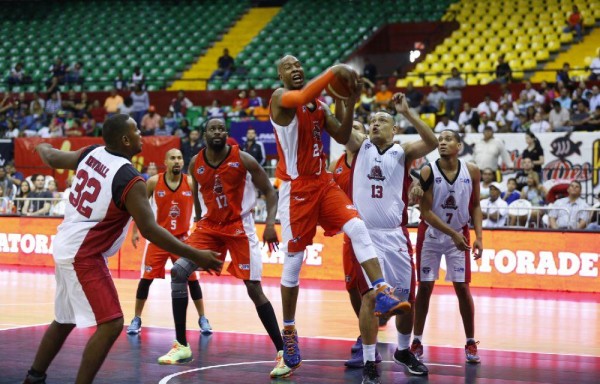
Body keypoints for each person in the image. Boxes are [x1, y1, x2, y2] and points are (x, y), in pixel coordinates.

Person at [23, 114, 221, 384]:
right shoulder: (131, 179)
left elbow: (54, 158)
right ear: (126, 140)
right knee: (113, 322)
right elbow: (151, 230)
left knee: (65, 318)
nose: (142, 134)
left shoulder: (92, 153)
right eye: (137, 130)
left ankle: (34, 377)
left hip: (66, 243)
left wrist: (41, 146)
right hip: (85, 253)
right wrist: (196, 254)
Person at [269, 56, 408, 373]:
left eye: (299, 65)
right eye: (288, 67)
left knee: (358, 227)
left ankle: (381, 290)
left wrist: (349, 101)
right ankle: (288, 330)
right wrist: (334, 71)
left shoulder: (317, 105)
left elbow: (345, 136)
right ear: (279, 75)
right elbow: (301, 97)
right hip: (296, 189)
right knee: (293, 261)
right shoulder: (280, 98)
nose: (296, 69)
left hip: (322, 181)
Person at [157, 118, 291, 378]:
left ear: (226, 134)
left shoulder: (245, 159)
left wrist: (272, 224)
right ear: (204, 134)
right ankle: (182, 345)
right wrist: (198, 220)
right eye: (212, 129)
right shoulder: (196, 162)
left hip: (240, 227)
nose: (217, 132)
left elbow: (270, 192)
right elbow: (196, 191)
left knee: (254, 289)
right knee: (177, 272)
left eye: (221, 129)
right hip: (210, 228)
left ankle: (284, 351)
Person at [341, 95, 438, 382]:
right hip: (366, 234)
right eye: (372, 121)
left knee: (407, 299)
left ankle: (403, 350)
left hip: (395, 234)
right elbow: (343, 131)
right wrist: (346, 103)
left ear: (393, 130)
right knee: (371, 296)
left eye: (382, 121)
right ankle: (370, 361)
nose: (375, 124)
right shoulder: (361, 146)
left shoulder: (402, 151)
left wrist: (407, 111)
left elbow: (431, 142)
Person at [412, 129, 483, 365]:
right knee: (425, 288)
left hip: (459, 235)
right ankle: (417, 340)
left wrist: (479, 237)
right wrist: (453, 234)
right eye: (440, 139)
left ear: (459, 146)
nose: (442, 142)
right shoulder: (428, 170)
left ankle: (470, 341)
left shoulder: (471, 170)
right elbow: (425, 212)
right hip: (432, 235)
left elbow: (476, 206)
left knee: (462, 288)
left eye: (448, 139)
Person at [126, 149, 212, 336]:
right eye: (172, 158)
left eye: (180, 158)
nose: (177, 161)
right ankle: (136, 318)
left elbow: (204, 208)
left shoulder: (190, 182)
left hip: (182, 241)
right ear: (165, 161)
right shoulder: (153, 182)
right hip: (159, 239)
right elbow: (139, 206)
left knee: (192, 281)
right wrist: (134, 231)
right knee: (145, 280)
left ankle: (202, 318)